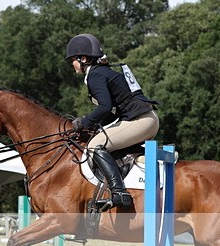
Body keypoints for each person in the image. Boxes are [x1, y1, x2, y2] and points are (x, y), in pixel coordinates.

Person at [65, 33, 159, 210]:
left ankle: (119, 192)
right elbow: (111, 112)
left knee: (94, 146)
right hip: (146, 119)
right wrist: (93, 126)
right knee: (104, 142)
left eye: (73, 60)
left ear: (83, 59)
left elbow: (105, 107)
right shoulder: (103, 72)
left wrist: (84, 122)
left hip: (140, 120)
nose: (72, 64)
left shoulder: (95, 75)